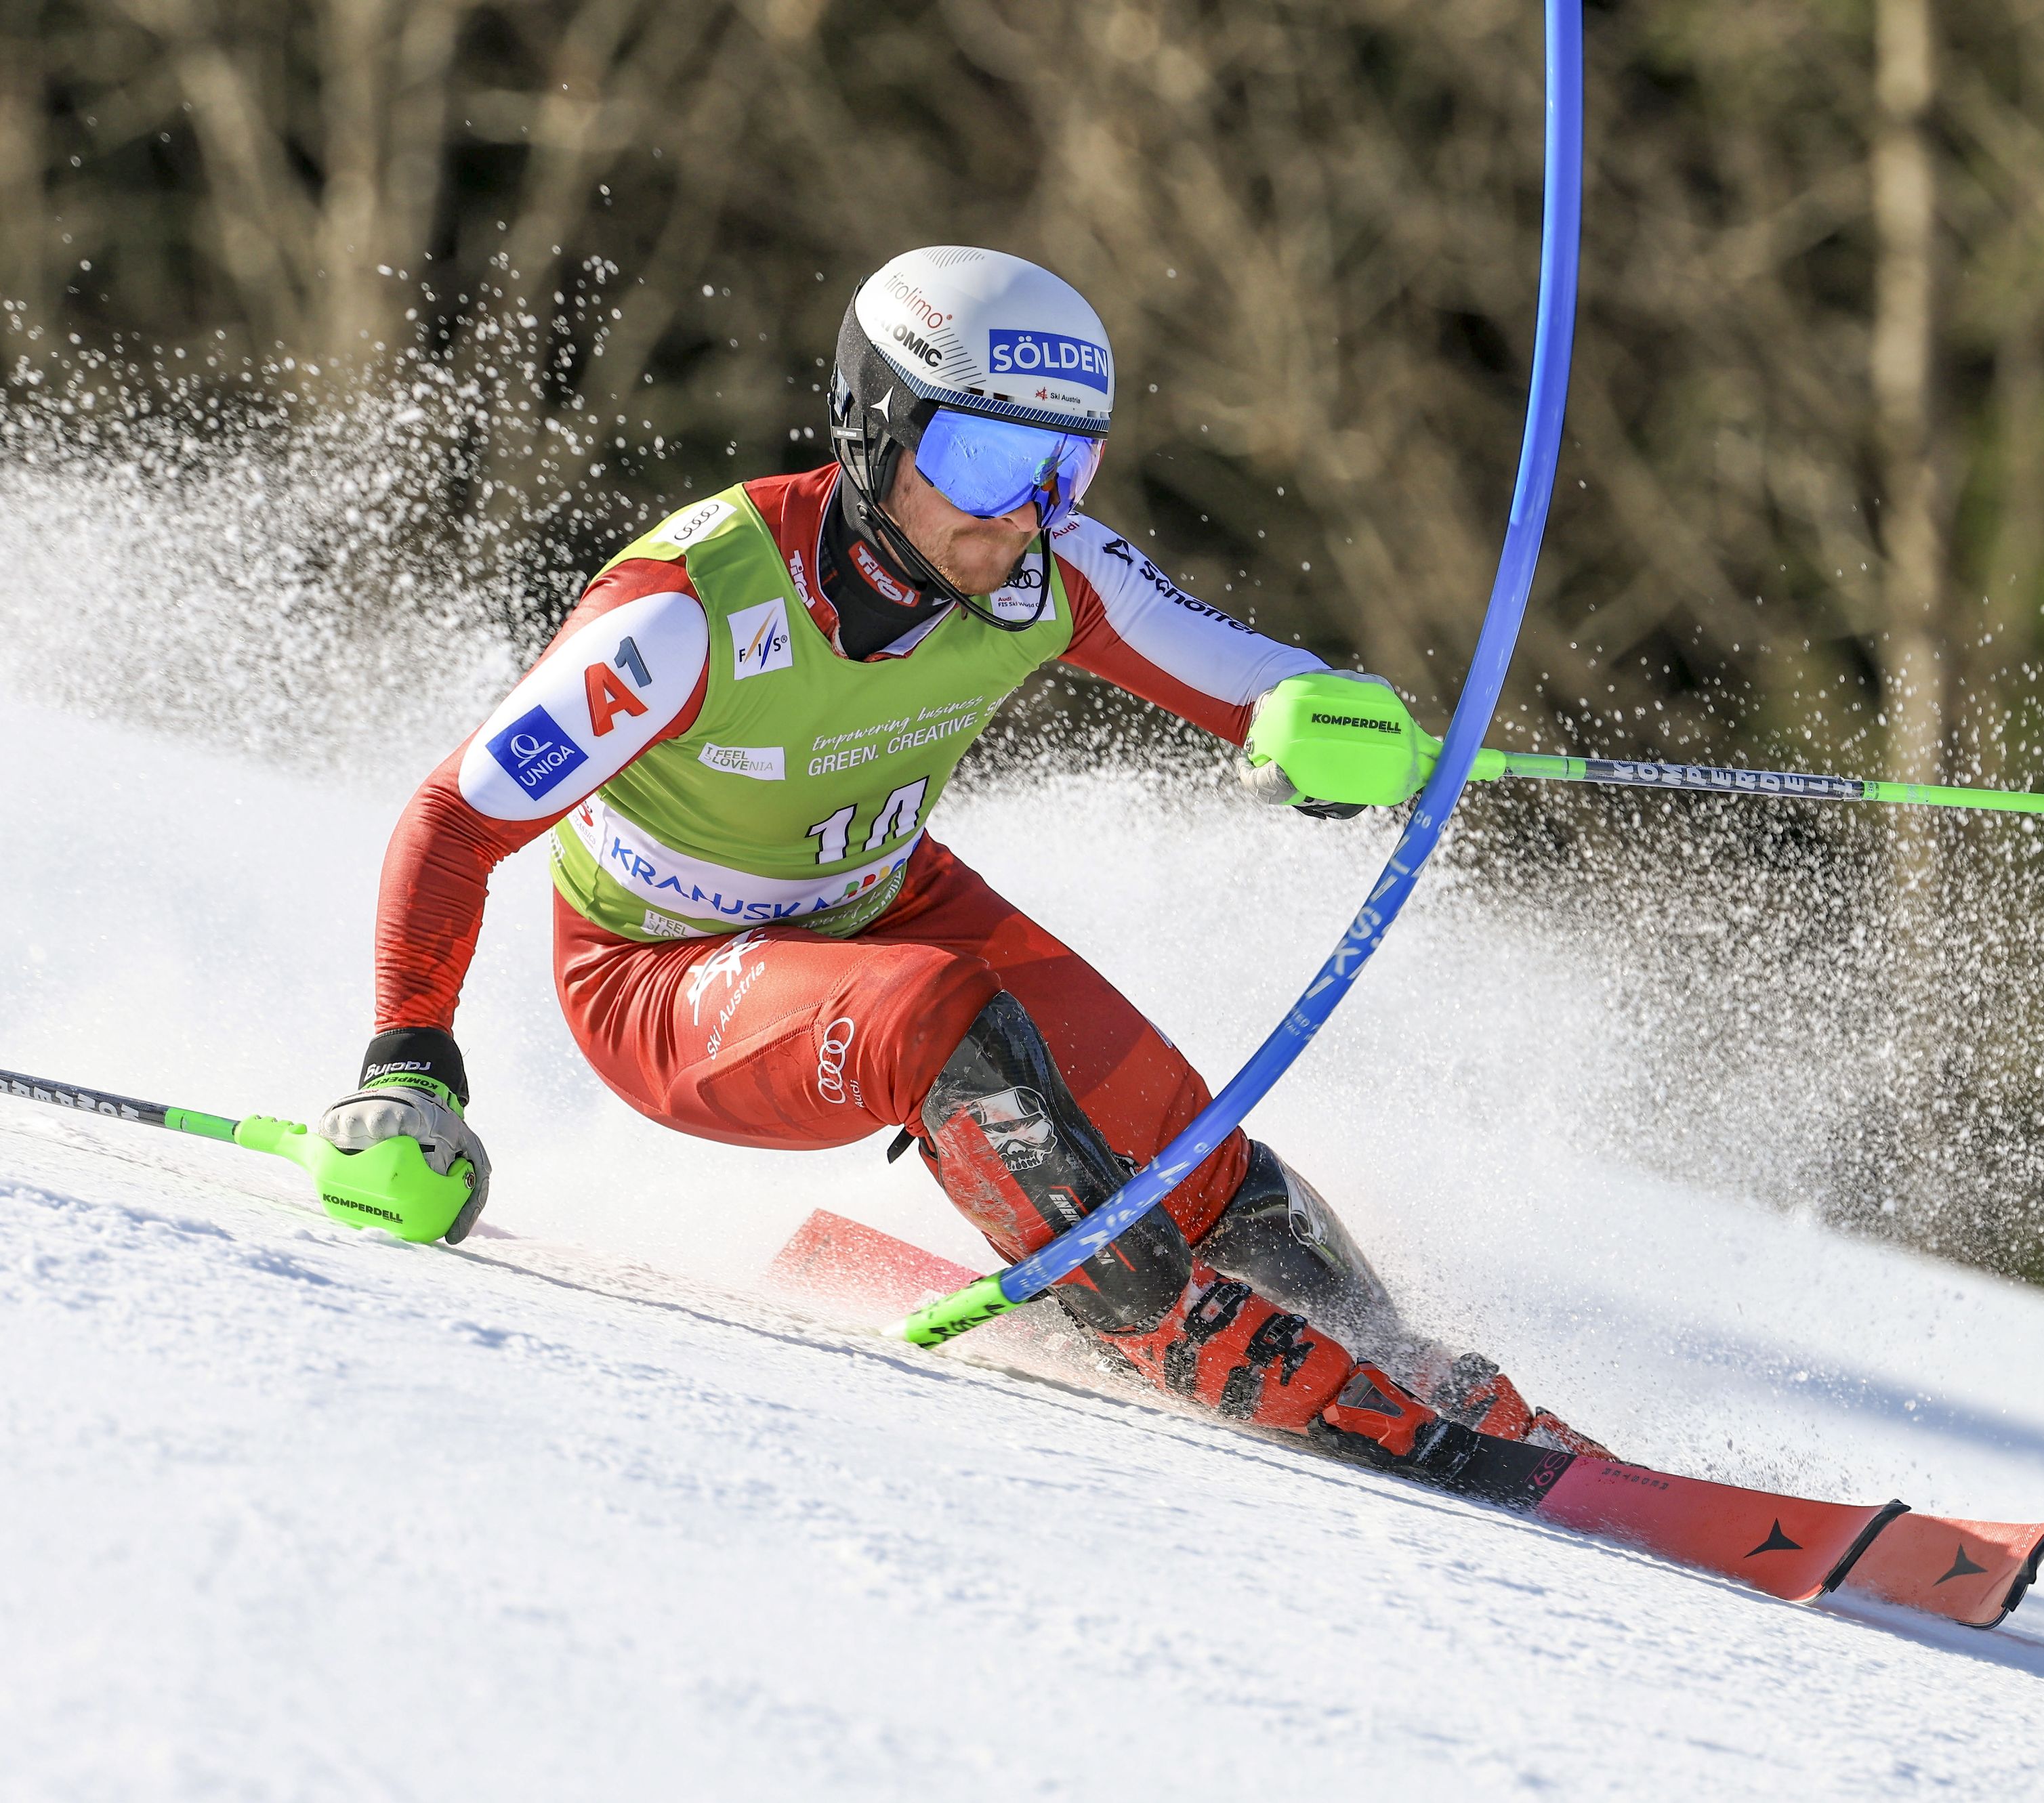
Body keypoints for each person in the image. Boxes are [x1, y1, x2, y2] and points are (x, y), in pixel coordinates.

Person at [318, 246, 1606, 1477]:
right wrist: (408, 1066)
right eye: (984, 460)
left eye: (1064, 469)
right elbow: (457, 820)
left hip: (885, 900)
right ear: (875, 430)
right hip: (662, 972)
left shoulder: (1047, 568)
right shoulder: (684, 610)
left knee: (1174, 1123)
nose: (1019, 518)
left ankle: (1386, 1356)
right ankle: (1169, 1326)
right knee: (941, 1018)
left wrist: (1338, 727)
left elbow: (1262, 684)